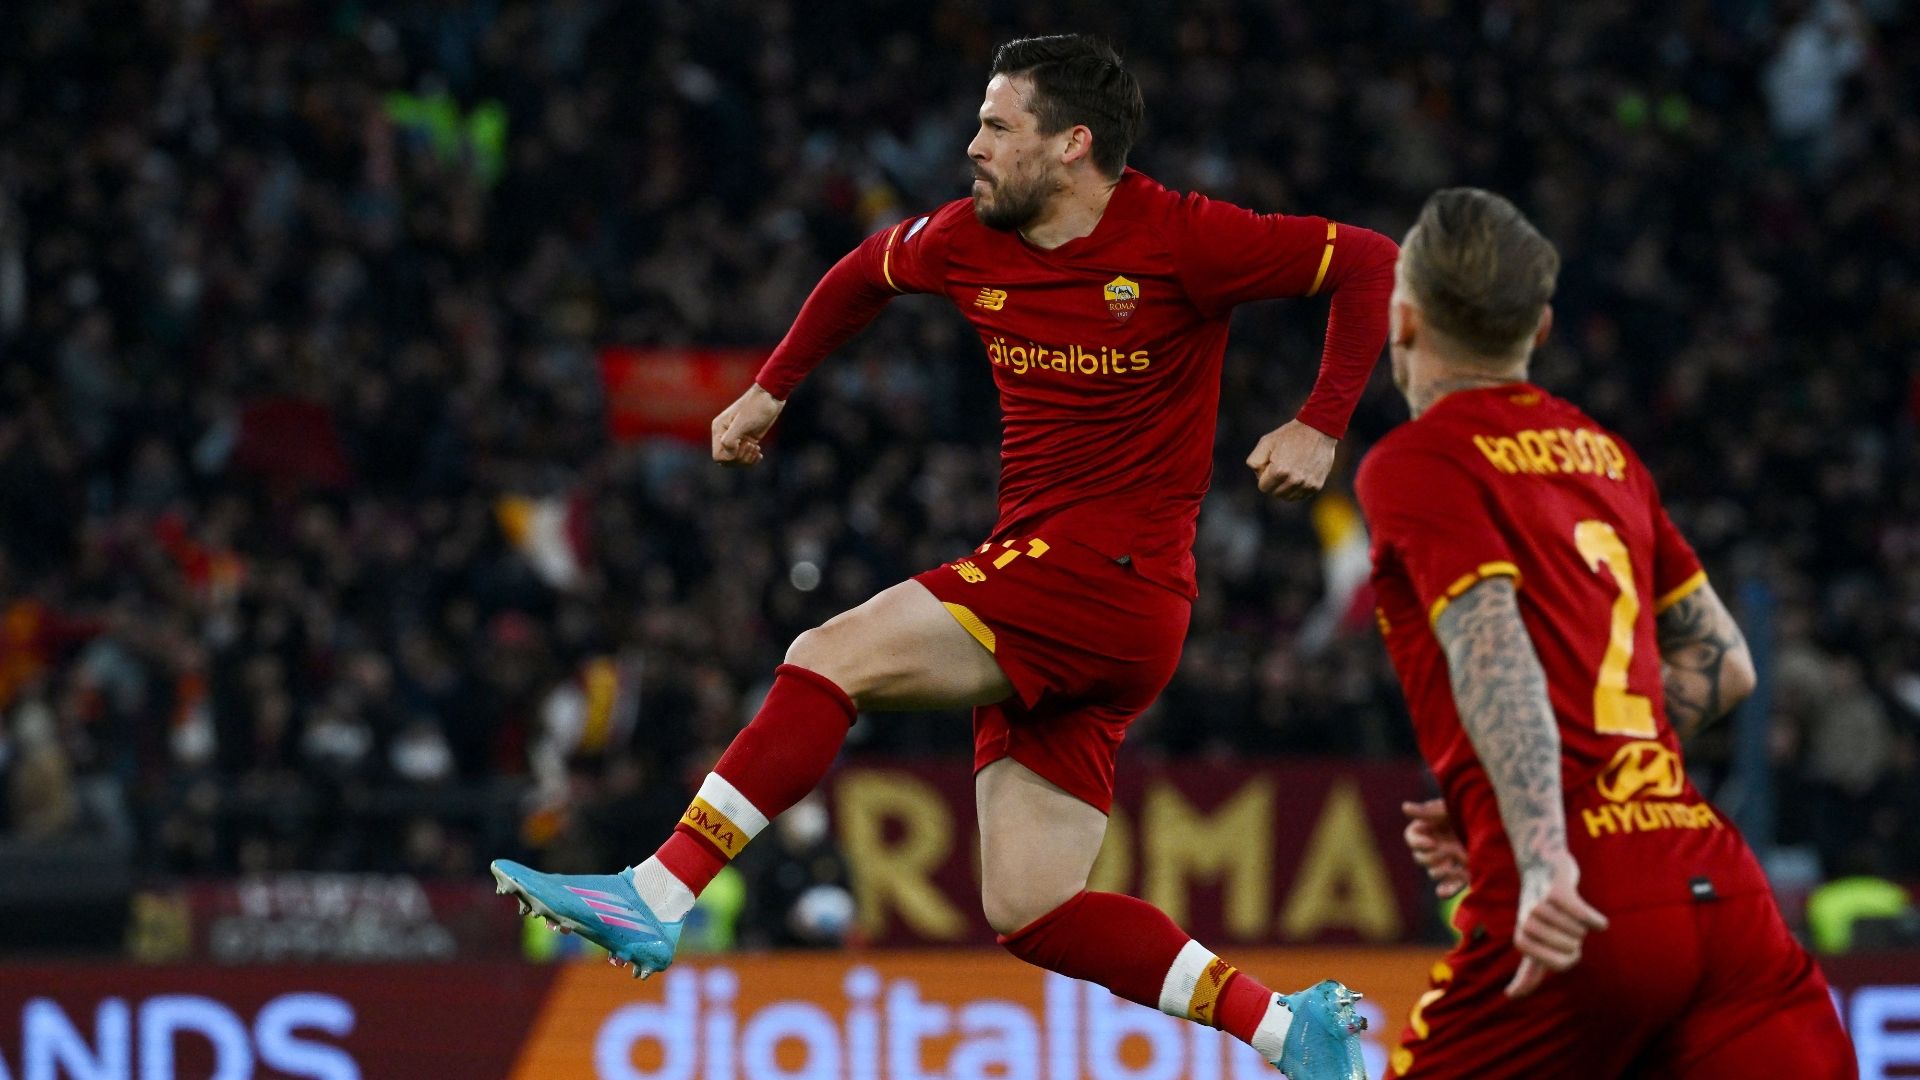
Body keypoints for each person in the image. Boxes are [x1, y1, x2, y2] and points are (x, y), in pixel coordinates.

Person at [492, 33, 1395, 1077]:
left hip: (1104, 573)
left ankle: (654, 894)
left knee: (830, 652)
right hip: (1092, 607)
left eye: (997, 126)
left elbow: (1368, 261)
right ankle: (1290, 1030)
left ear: (1071, 145)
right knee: (1030, 907)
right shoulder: (969, 240)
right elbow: (860, 275)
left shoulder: (1184, 237)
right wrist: (770, 389)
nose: (971, 145)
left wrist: (1322, 423)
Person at [1357, 187, 1856, 1078]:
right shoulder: (1606, 454)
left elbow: (1491, 643)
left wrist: (1542, 851)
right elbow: (1726, 664)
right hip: (1718, 890)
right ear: (1541, 328)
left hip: (1581, 902)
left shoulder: (1418, 463)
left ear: (1402, 321)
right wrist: (1502, 802)